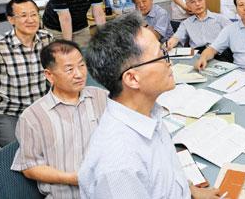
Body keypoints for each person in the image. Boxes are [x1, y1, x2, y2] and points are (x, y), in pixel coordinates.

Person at [79, 14, 221, 198]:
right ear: (132, 78)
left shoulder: (147, 112)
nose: (169, 63)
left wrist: (191, 190)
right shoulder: (118, 165)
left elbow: (164, 172)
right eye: (161, 55)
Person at [11, 40, 108, 198]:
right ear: (49, 75)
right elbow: (29, 166)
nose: (79, 74)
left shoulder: (100, 97)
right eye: (69, 69)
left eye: (81, 65)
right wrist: (72, 179)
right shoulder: (32, 117)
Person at [0, 0, 53, 147]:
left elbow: (56, 73)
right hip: (8, 112)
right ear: (11, 20)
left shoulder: (47, 39)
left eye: (33, 14)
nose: (30, 20)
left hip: (40, 108)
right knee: (18, 152)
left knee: (60, 143)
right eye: (23, 15)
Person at [167, 0, 231, 51]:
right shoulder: (186, 23)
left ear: (205, 0)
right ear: (188, 6)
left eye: (200, 0)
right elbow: (177, 37)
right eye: (192, 2)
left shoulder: (221, 18)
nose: (197, 4)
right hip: (197, 54)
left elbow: (235, 35)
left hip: (219, 53)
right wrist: (171, 42)